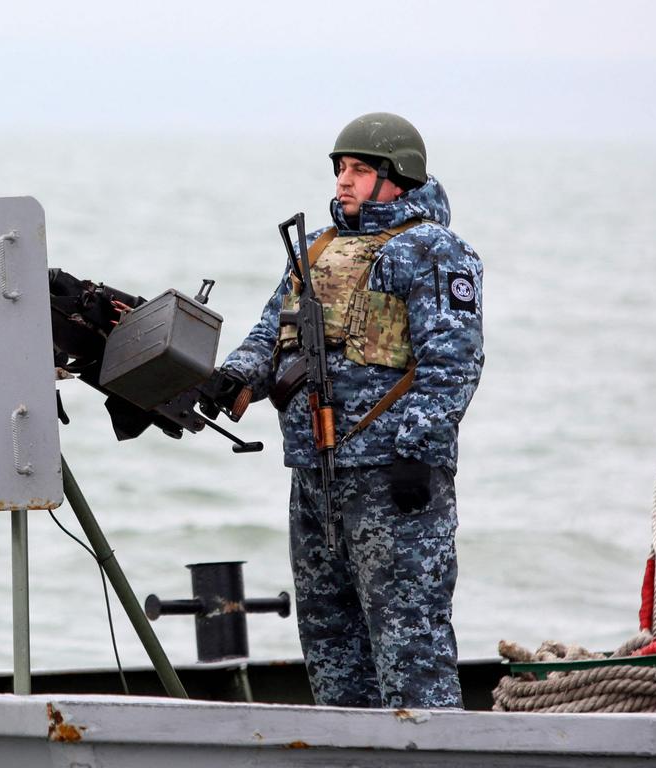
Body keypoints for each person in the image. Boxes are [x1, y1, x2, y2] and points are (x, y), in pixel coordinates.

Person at [207, 113, 483, 709]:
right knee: (330, 646)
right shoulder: (318, 249)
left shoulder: (432, 250)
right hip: (316, 475)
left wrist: (418, 449)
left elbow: (452, 363)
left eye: (360, 169)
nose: (344, 181)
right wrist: (235, 376)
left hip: (393, 480)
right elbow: (269, 332)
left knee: (410, 646)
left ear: (399, 178)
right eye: (340, 168)